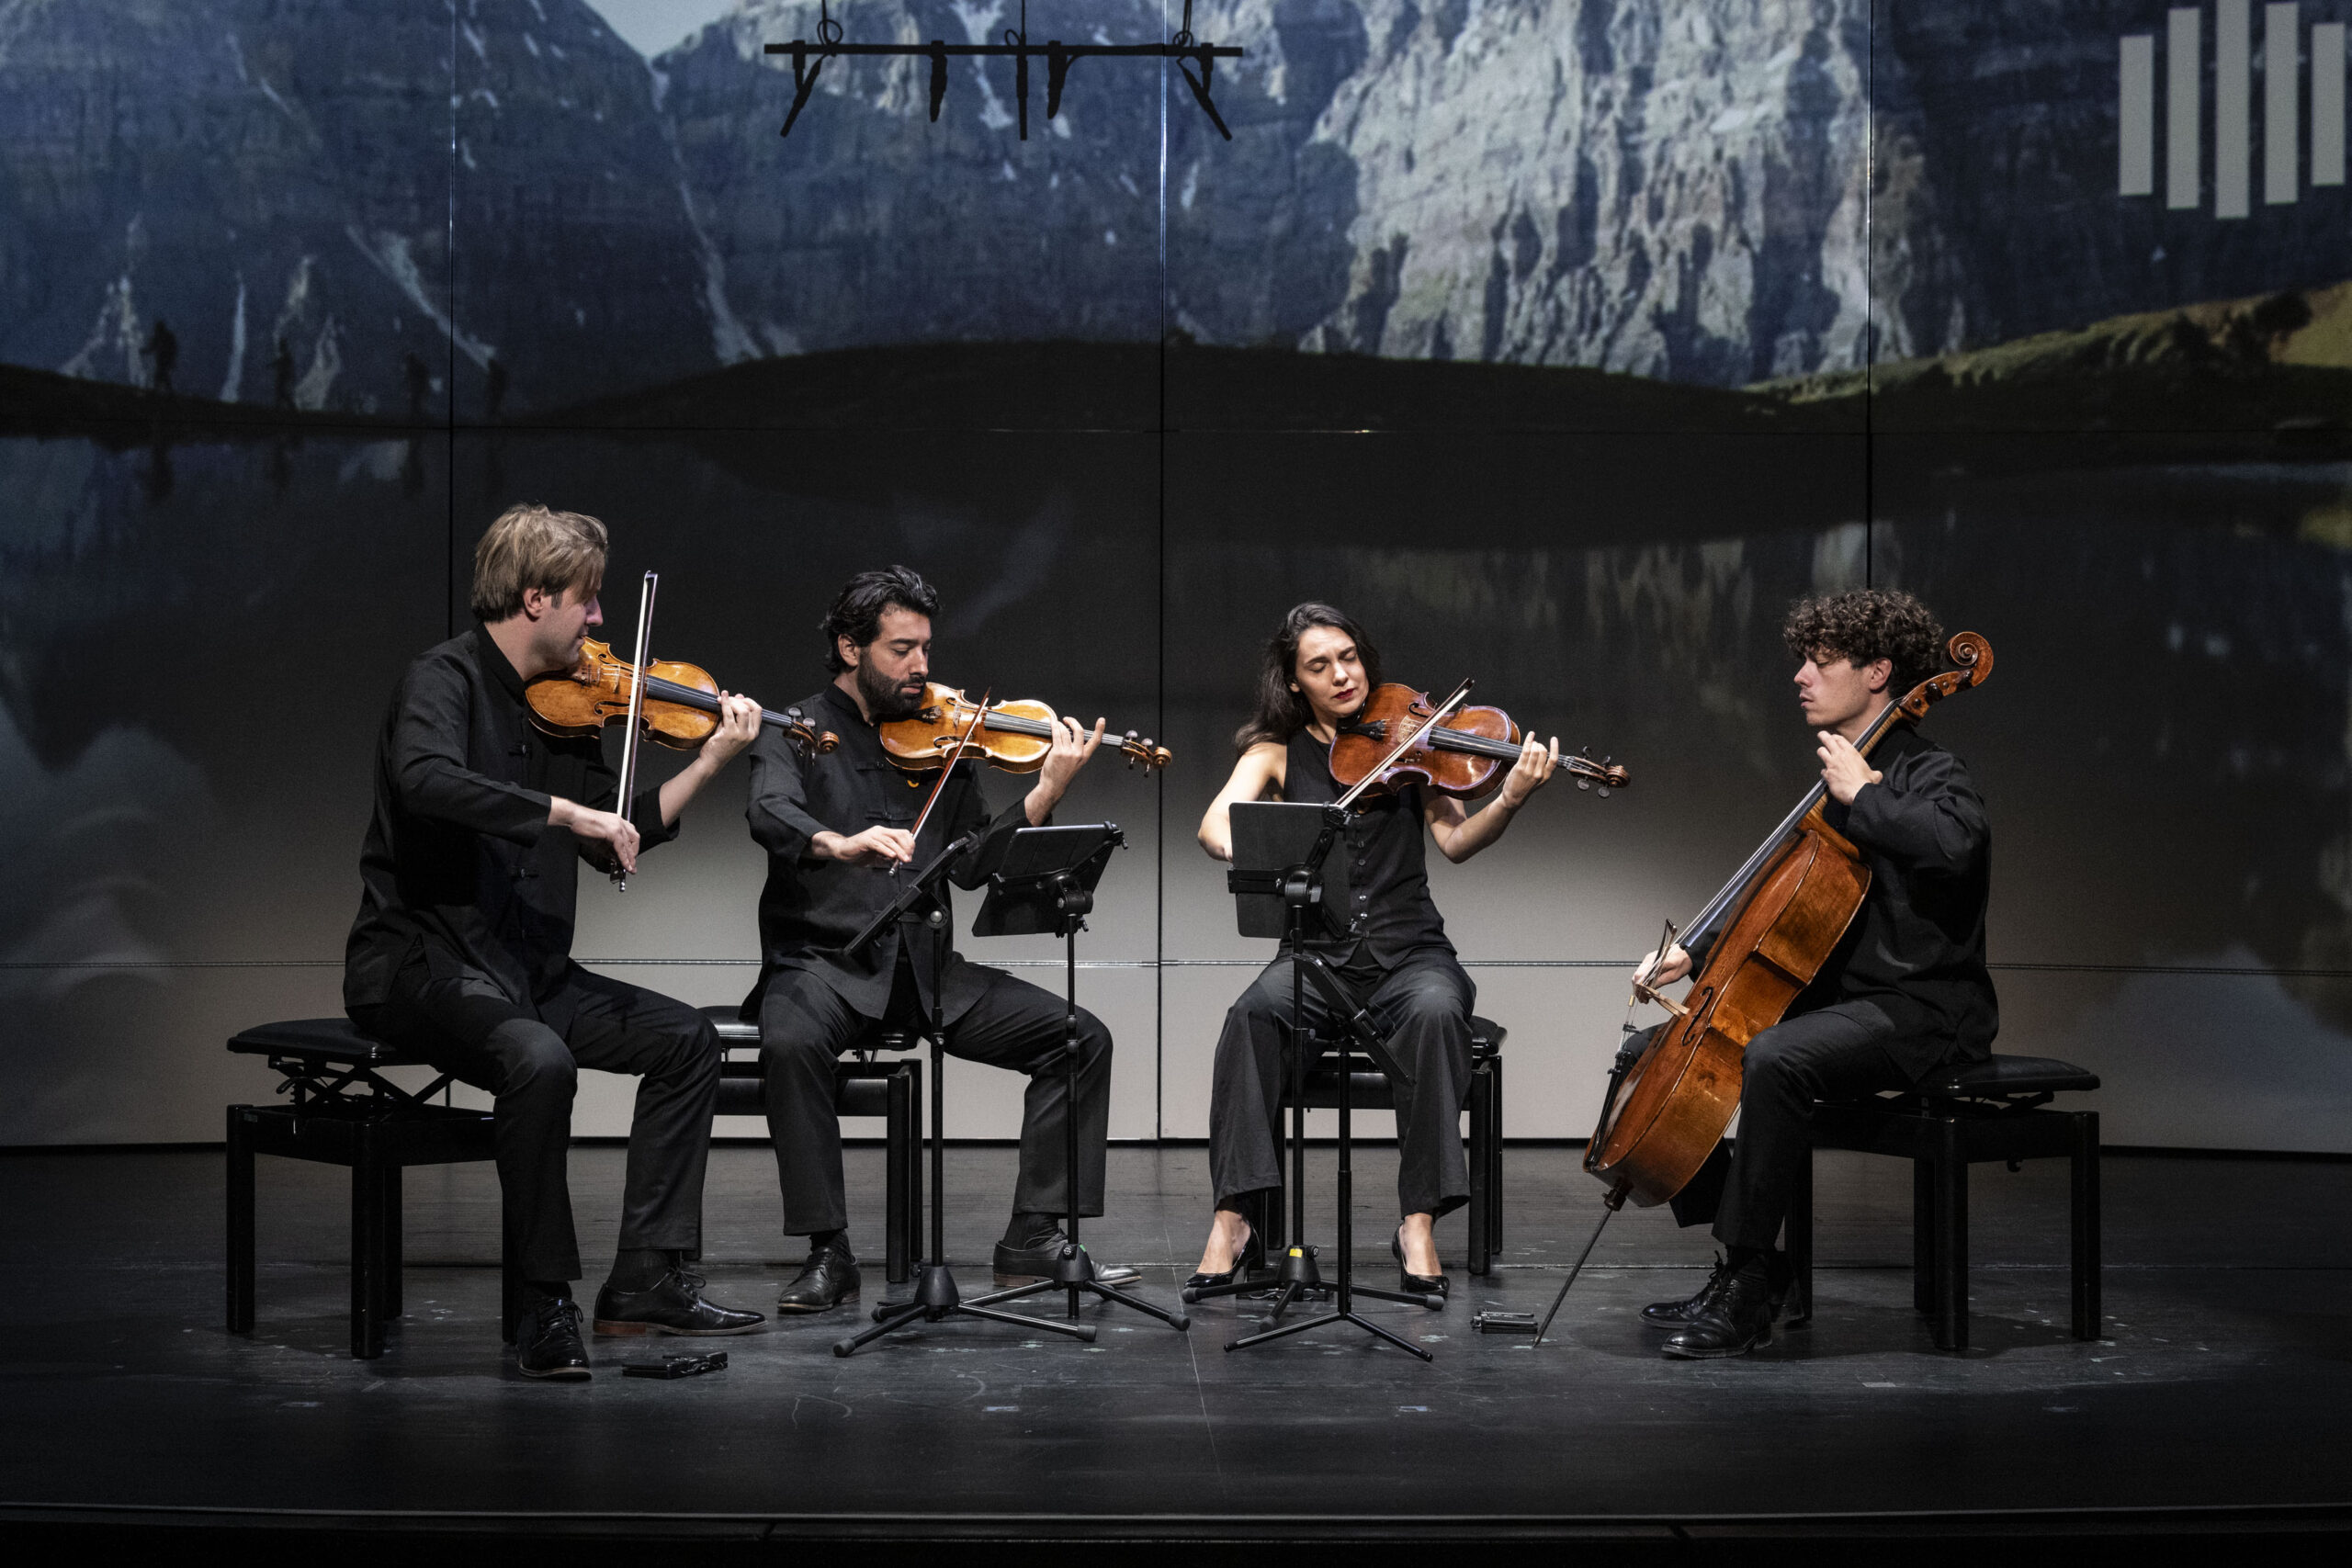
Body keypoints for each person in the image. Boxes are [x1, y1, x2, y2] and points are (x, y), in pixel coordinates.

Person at [344, 503, 768, 1379]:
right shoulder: (442, 680)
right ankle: (543, 1302)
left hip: (527, 966)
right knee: (540, 1061)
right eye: (590, 598)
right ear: (536, 598)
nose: (601, 619)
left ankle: (646, 1277)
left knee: (687, 1040)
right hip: (425, 962)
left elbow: (613, 834)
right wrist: (562, 808)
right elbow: (426, 780)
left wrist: (710, 761)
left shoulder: (568, 709)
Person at [745, 566, 1135, 1313]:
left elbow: (977, 866)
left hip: (927, 971)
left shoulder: (946, 741)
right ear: (849, 647)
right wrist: (838, 840)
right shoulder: (796, 729)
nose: (922, 666)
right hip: (827, 965)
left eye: (925, 647)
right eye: (901, 649)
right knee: (790, 1039)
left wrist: (1046, 791)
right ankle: (829, 1250)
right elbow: (769, 812)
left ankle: (1032, 1234)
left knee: (1079, 1037)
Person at [1630, 587, 1995, 1359]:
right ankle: (1751, 1261)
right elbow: (1790, 894)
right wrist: (1698, 950)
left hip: (1922, 1012)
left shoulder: (1930, 771)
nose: (1799, 675)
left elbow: (1958, 848)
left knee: (1775, 1057)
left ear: (1877, 673)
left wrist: (1868, 795)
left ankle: (1753, 1281)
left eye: (1819, 660)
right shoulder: (1837, 778)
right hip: (1844, 1008)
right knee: (1649, 1057)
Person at [1189, 604, 1564, 1299]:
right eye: (1320, 665)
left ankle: (1416, 1221)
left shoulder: (1414, 741)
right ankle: (1234, 1217)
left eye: (1350, 657)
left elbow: (1455, 841)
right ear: (1295, 682)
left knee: (1434, 1011)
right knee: (1250, 1018)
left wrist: (1510, 796)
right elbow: (1215, 826)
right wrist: (1266, 849)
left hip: (1410, 952)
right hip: (1314, 957)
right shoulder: (1275, 752)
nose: (1342, 674)